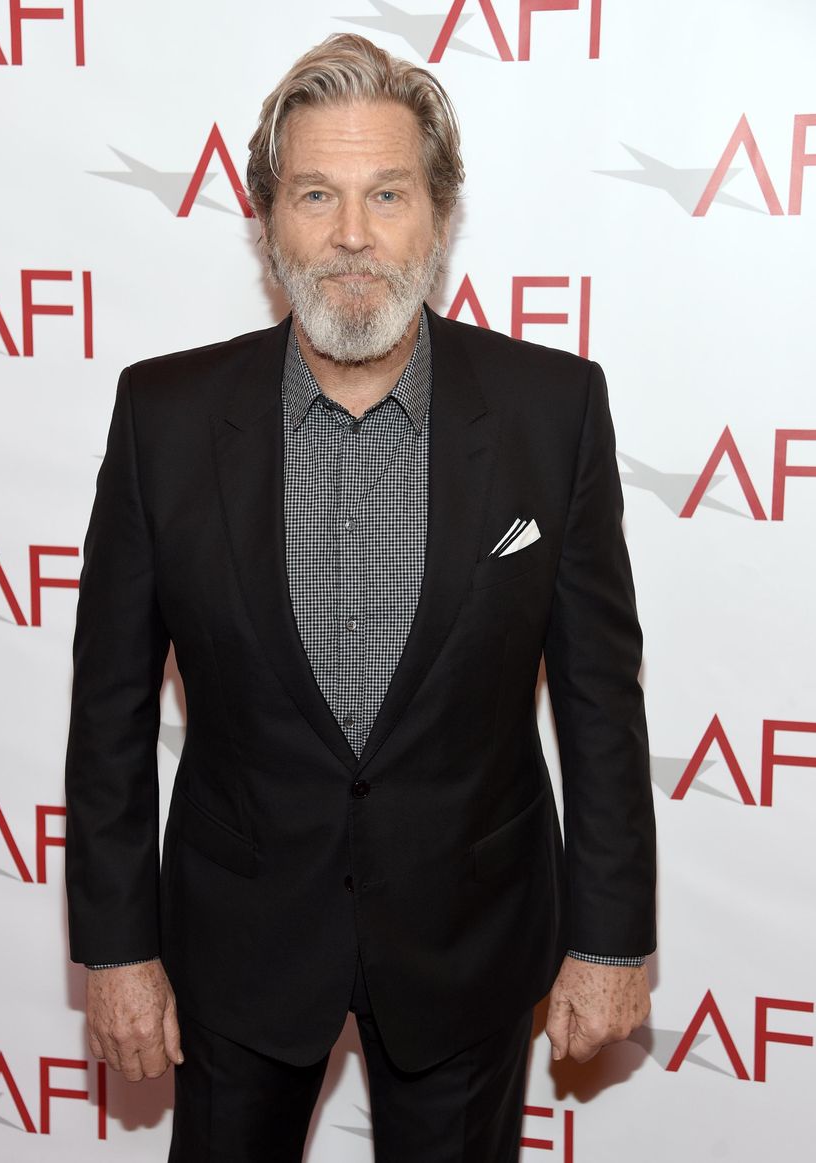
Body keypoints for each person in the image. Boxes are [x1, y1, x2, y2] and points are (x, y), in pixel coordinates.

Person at [65, 33, 656, 1162]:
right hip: (235, 942)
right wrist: (115, 948)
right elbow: (108, 715)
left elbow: (597, 700)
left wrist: (612, 940)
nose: (349, 235)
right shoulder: (164, 416)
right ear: (265, 219)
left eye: (385, 194)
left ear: (437, 214)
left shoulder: (552, 409)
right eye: (314, 195)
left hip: (468, 935)